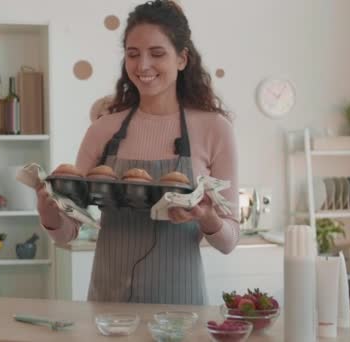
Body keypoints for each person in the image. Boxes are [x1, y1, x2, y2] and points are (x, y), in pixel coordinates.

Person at [36, 0, 239, 305]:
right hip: (108, 308)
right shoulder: (103, 129)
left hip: (181, 311)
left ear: (182, 59)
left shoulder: (215, 129)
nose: (143, 66)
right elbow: (69, 232)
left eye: (157, 54)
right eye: (133, 54)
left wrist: (207, 217)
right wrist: (48, 212)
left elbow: (229, 241)